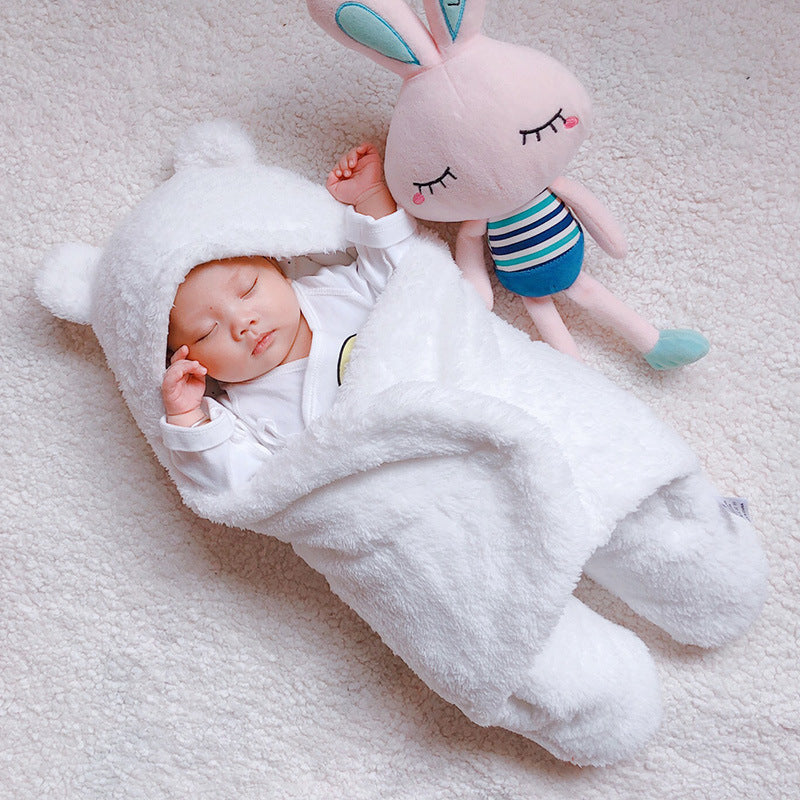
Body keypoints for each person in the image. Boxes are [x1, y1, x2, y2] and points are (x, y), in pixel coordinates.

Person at [159, 143, 417, 490]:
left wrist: (369, 196)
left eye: (248, 289)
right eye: (207, 332)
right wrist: (187, 417)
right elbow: (237, 486)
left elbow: (409, 276)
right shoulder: (239, 414)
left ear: (280, 270)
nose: (243, 323)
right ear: (186, 359)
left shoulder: (336, 291)